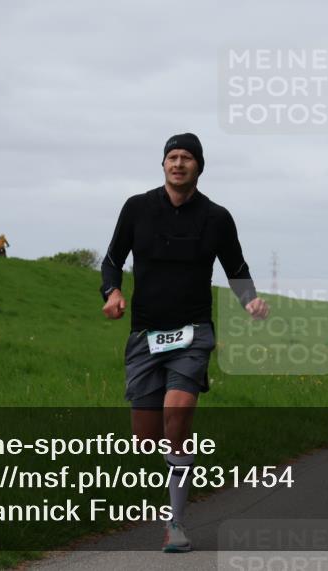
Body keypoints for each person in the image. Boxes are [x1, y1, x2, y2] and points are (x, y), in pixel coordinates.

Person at [100, 133, 269, 553]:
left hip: (193, 333)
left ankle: (175, 523)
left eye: (187, 158)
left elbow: (236, 267)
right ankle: (172, 478)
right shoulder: (137, 208)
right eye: (172, 157)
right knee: (145, 437)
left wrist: (249, 300)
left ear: (199, 166)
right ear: (162, 165)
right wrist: (112, 293)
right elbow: (111, 260)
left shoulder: (216, 217)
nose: (178, 164)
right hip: (145, 333)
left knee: (178, 415)